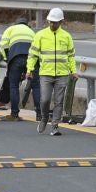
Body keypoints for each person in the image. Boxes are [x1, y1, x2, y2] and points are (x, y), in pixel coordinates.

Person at [29, 8, 77, 136]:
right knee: (45, 99)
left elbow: (71, 56)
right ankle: (44, 118)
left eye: (55, 22)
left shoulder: (66, 36)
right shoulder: (40, 35)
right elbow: (32, 54)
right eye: (50, 21)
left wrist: (73, 71)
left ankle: (55, 126)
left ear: (61, 22)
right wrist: (29, 69)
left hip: (62, 74)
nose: (52, 24)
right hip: (45, 73)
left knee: (59, 101)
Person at [0, 17, 37, 121]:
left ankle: (14, 114)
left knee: (14, 86)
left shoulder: (11, 29)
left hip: (16, 58)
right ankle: (40, 114)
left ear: (16, 23)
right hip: (30, 59)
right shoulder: (31, 32)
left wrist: (7, 59)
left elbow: (3, 45)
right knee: (36, 86)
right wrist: (28, 69)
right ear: (27, 24)